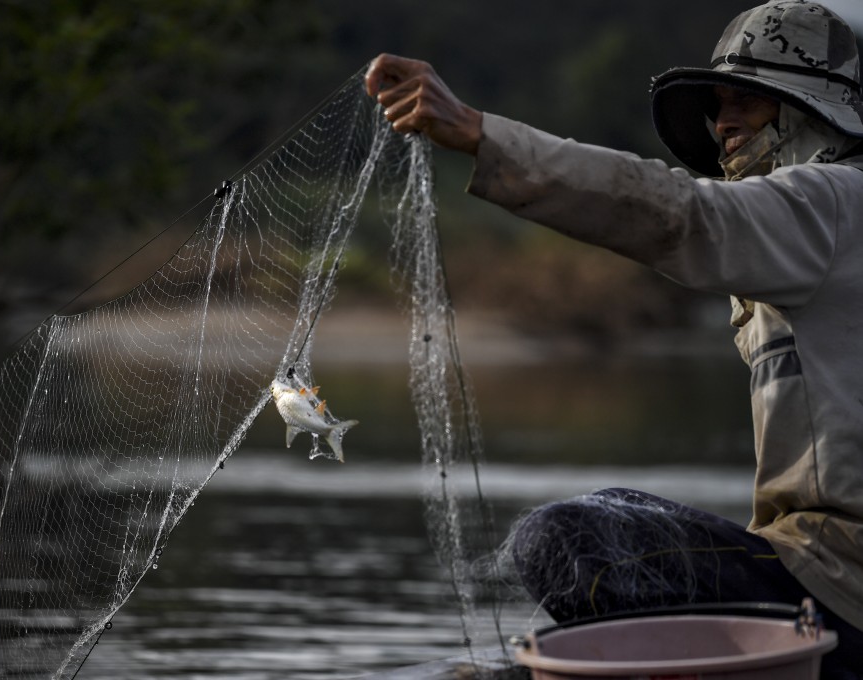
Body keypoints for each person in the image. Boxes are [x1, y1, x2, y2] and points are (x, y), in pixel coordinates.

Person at [366, 1, 863, 678]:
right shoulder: (818, 225)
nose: (725, 123)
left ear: (826, 110)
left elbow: (678, 213)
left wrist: (480, 135)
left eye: (751, 101)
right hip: (816, 578)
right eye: (720, 104)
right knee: (613, 521)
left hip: (841, 590)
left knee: (570, 540)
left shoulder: (835, 201)